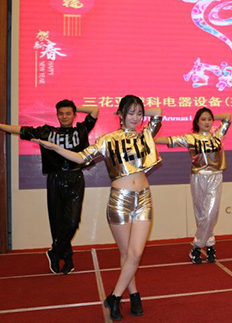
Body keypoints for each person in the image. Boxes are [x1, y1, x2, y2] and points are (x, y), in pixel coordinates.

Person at [33, 95, 161, 320]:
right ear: (120, 114)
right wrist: (54, 147)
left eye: (139, 113)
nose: (136, 118)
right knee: (127, 254)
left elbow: (158, 112)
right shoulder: (107, 139)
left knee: (136, 253)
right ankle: (134, 295)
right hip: (119, 200)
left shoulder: (145, 135)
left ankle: (114, 296)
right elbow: (80, 157)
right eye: (130, 113)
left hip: (144, 199)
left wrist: (134, 107)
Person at [0, 100, 98, 275]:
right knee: (57, 221)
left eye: (68, 113)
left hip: (75, 178)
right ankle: (67, 257)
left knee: (72, 222)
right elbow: (21, 130)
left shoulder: (81, 130)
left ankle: (55, 251)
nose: (65, 116)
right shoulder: (47, 132)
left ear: (74, 115)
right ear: (57, 115)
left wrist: (76, 106)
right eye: (61, 113)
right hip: (55, 179)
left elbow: (95, 110)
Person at [155, 108, 231, 264]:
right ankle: (210, 246)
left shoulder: (218, 135)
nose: (207, 122)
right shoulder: (190, 138)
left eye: (209, 119)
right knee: (201, 213)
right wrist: (148, 138)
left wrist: (211, 115)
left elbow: (227, 117)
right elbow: (169, 140)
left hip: (215, 176)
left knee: (211, 213)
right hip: (198, 177)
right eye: (203, 119)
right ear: (197, 121)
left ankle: (197, 246)